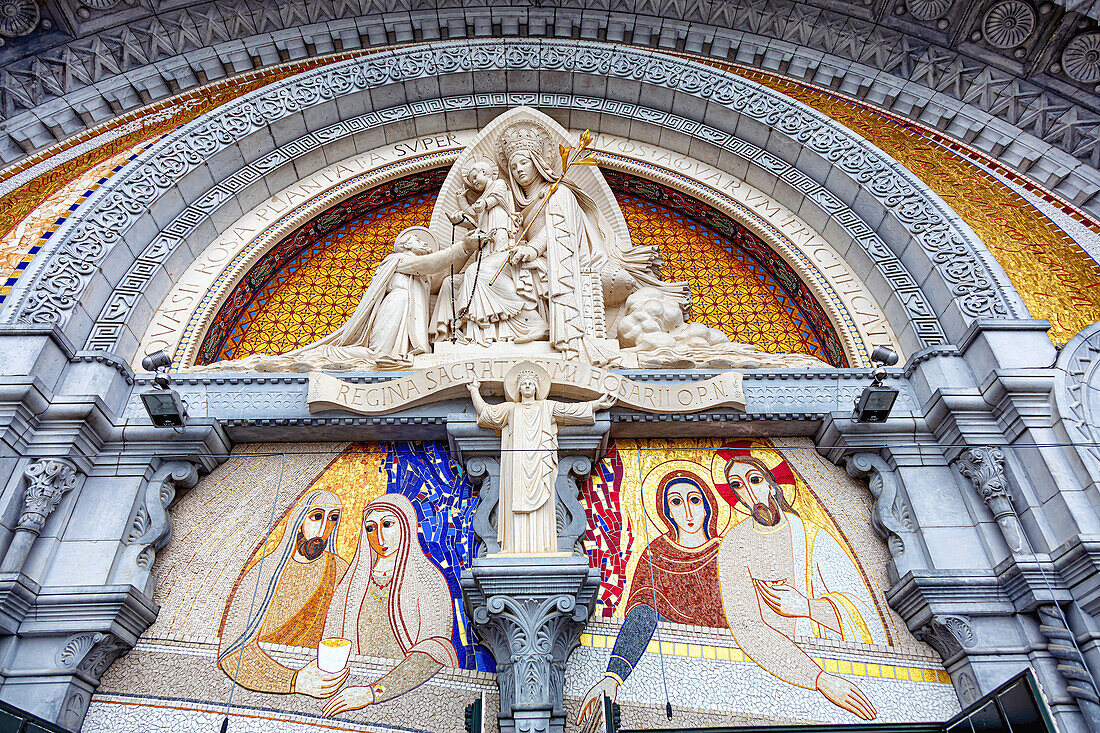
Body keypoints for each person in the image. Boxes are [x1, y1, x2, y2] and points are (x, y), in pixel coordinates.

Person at [716, 449, 881, 721]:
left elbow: (864, 615)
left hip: (835, 657)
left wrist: (807, 607)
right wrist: (821, 680)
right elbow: (747, 627)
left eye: (754, 479)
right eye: (737, 485)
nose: (748, 490)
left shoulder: (814, 537)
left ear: (772, 484)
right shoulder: (734, 545)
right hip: (783, 672)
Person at [577, 470, 725, 725]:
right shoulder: (656, 555)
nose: (687, 512)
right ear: (666, 510)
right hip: (671, 667)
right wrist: (613, 677)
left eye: (694, 500)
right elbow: (642, 612)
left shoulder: (726, 552)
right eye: (676, 502)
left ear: (708, 504)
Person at [319, 493, 459, 717]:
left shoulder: (429, 580)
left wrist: (374, 692)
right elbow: (331, 640)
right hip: (349, 693)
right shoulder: (352, 582)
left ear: (405, 525)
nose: (380, 537)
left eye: (387, 524)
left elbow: (434, 649)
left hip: (406, 694)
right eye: (371, 528)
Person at [467, 361, 615, 554]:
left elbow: (571, 411)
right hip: (516, 467)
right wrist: (474, 391)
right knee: (515, 505)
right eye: (524, 383)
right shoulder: (510, 409)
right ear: (518, 389)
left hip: (541, 466)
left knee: (544, 502)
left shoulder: (547, 407)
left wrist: (596, 405)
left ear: (537, 387)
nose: (527, 386)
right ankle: (513, 547)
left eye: (531, 383)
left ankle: (545, 545)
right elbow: (487, 413)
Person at [282, 226, 481, 367]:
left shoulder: (423, 278)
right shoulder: (398, 259)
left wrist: (467, 250)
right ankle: (327, 354)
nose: (424, 244)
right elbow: (428, 264)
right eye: (418, 240)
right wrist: (462, 246)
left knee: (386, 357)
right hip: (397, 304)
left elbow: (442, 277)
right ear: (405, 245)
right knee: (377, 354)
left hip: (408, 311)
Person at [217, 490, 350, 697]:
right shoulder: (265, 572)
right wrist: (295, 681)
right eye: (316, 517)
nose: (324, 529)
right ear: (298, 520)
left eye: (333, 518)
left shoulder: (339, 569)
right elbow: (232, 651)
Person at [436, 161, 527, 345]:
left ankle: (474, 319)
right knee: (452, 281)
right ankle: (451, 329)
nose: (473, 182)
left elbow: (492, 200)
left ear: (486, 172)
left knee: (480, 273)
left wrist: (483, 203)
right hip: (485, 241)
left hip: (500, 235)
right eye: (470, 180)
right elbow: (475, 216)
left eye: (475, 177)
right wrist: (461, 207)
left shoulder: (498, 185)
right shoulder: (483, 198)